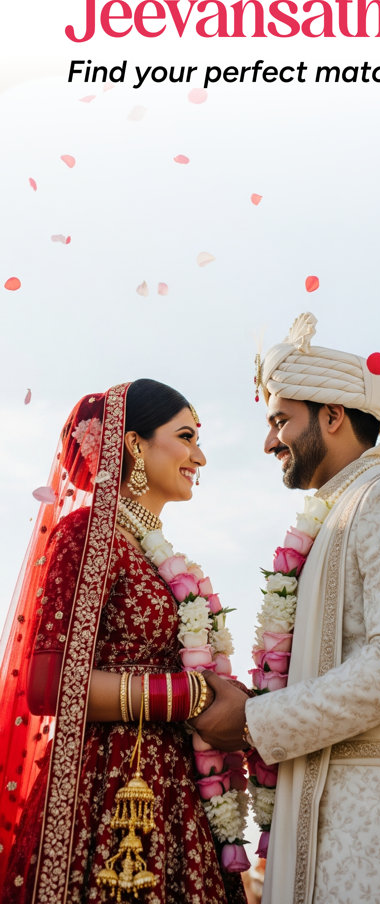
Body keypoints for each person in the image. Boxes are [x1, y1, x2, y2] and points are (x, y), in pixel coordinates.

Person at [192, 312, 380, 904]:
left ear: (334, 415)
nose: (270, 441)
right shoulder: (336, 514)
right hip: (333, 819)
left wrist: (255, 722)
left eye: (280, 420)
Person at [0, 380, 248, 904]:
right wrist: (195, 697)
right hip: (110, 791)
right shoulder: (87, 534)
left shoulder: (160, 557)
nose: (199, 456)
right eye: (185, 436)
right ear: (135, 444)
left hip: (178, 788)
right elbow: (48, 687)